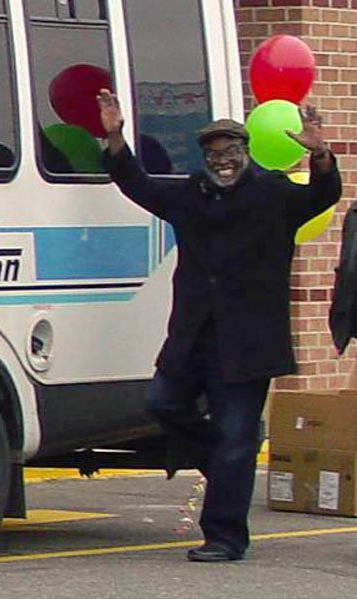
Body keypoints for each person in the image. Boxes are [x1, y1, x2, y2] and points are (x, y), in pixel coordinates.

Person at [97, 88, 342, 563]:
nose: (223, 161)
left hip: (248, 342)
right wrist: (115, 136)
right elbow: (139, 185)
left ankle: (225, 537)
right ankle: (229, 465)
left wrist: (322, 154)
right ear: (204, 159)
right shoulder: (191, 193)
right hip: (193, 335)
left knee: (236, 433)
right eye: (214, 154)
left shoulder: (273, 193)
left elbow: (322, 194)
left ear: (245, 153)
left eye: (231, 152)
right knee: (163, 404)